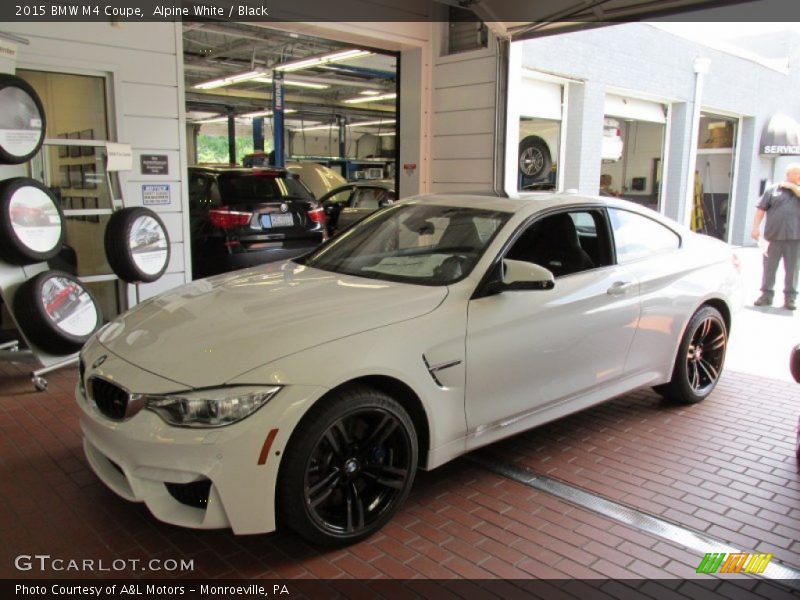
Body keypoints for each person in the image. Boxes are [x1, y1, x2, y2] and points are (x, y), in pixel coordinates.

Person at [751, 163, 800, 311]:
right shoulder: (773, 189)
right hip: (772, 237)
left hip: (794, 237)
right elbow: (761, 209)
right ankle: (766, 296)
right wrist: (755, 228)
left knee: (792, 269)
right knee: (769, 268)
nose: (799, 176)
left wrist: (794, 188)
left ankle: (790, 298)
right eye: (797, 174)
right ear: (788, 175)